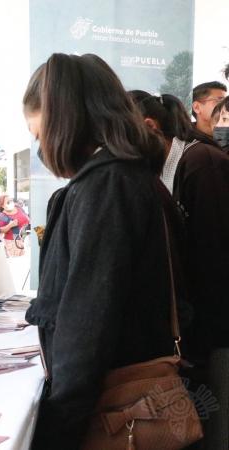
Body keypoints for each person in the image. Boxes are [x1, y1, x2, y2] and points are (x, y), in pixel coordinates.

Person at [23, 53, 180, 449]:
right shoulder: (124, 176)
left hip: (113, 411)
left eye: (39, 135)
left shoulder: (107, 187)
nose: (41, 147)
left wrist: (57, 428)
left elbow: (88, 323)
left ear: (64, 119)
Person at [131, 91, 229, 444]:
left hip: (213, 337)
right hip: (194, 334)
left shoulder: (200, 163)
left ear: (148, 127)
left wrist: (199, 339)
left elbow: (215, 259)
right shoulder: (163, 171)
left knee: (216, 429)